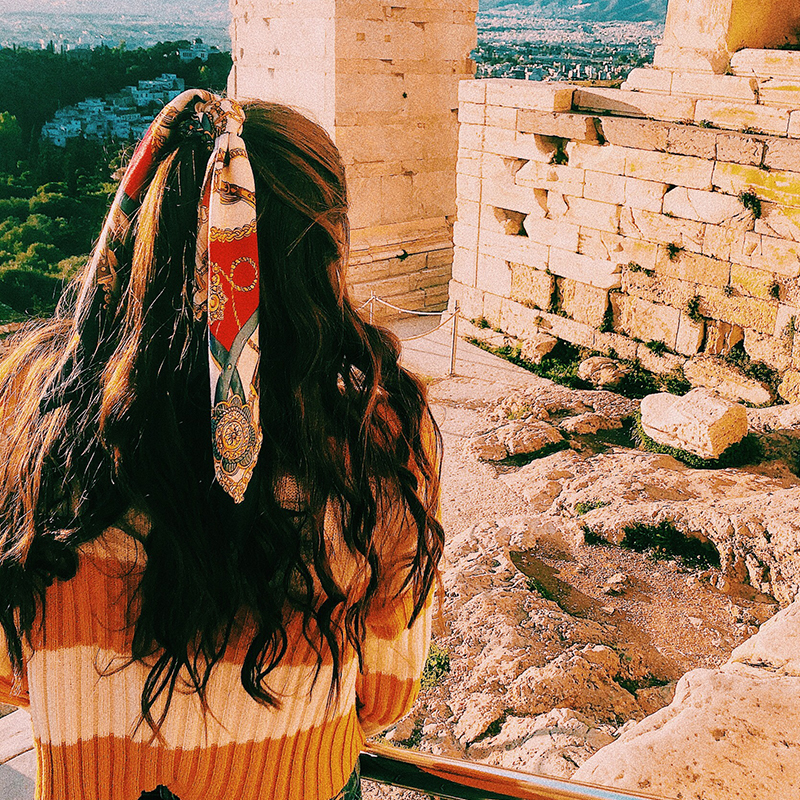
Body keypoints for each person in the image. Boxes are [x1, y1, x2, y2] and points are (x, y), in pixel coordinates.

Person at [0, 91, 443, 800]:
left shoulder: (30, 408)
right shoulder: (377, 432)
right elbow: (386, 692)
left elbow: (10, 667)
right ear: (325, 247)